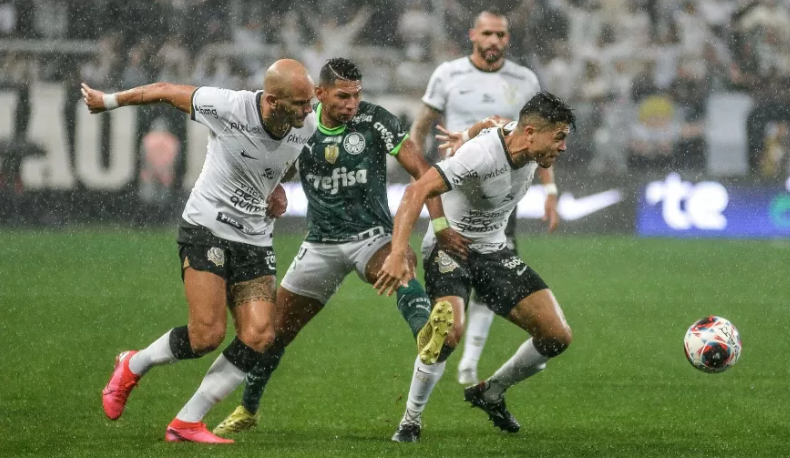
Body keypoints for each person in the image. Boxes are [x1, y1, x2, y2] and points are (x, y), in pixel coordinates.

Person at [212, 58, 467, 436]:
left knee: (400, 261)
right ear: (319, 94)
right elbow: (277, 167)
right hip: (320, 245)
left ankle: (425, 332)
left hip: (371, 237)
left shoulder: (375, 120)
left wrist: (441, 224)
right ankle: (248, 408)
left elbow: (423, 174)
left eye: (357, 95)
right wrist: (275, 186)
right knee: (272, 334)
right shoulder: (301, 123)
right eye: (343, 96)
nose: (352, 104)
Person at [83, 59, 316, 444]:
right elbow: (163, 89)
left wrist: (276, 187)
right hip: (207, 228)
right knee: (206, 335)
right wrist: (108, 102)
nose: (310, 111)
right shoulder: (228, 106)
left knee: (259, 335)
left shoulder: (303, 123)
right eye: (302, 103)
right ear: (273, 101)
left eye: (310, 102)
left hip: (255, 237)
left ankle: (187, 422)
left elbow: (284, 162)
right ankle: (132, 364)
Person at [377, 91, 576, 442]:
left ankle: (491, 391)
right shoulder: (480, 157)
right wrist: (397, 252)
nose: (561, 148)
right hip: (450, 248)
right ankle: (410, 420)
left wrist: (467, 131)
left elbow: (493, 122)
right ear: (530, 133)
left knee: (557, 336)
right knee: (449, 331)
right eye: (558, 138)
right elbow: (415, 192)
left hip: (494, 251)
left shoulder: (521, 137)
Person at [409, 7, 559, 386]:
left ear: (508, 39)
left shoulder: (524, 79)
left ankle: (469, 362)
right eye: (488, 34)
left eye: (501, 35)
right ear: (473, 35)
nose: (494, 41)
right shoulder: (448, 74)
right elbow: (423, 126)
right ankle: (450, 345)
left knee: (490, 272)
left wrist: (550, 188)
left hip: (501, 189)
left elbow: (539, 136)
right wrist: (417, 166)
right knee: (458, 266)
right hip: (455, 183)